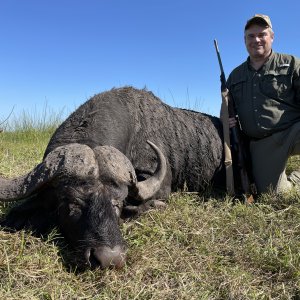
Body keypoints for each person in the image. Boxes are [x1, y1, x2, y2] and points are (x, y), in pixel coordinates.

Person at [226, 14, 300, 194]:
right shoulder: (235, 76)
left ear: (272, 37)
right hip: (263, 143)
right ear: (244, 40)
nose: (256, 40)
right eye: (251, 36)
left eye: (262, 34)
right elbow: (226, 110)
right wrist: (226, 120)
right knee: (274, 193)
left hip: (293, 131)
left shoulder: (291, 63)